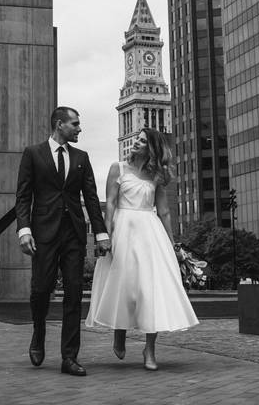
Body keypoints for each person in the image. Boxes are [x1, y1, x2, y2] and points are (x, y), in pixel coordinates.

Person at [85, 127, 198, 370]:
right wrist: (107, 235)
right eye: (137, 138)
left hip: (150, 232)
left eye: (143, 141)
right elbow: (111, 203)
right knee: (124, 286)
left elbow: (164, 211)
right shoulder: (118, 168)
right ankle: (119, 331)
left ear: (152, 149)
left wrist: (172, 244)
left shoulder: (157, 176)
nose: (136, 142)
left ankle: (150, 349)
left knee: (150, 290)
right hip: (123, 230)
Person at [15, 106, 112, 376]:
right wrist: (24, 230)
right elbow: (23, 196)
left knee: (73, 294)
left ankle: (69, 357)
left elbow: (91, 198)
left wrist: (101, 233)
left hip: (73, 234)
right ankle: (38, 330)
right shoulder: (33, 154)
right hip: (44, 233)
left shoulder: (82, 157)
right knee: (41, 290)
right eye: (75, 124)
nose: (79, 129)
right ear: (59, 125)